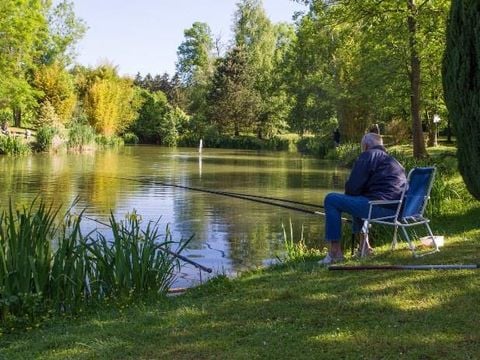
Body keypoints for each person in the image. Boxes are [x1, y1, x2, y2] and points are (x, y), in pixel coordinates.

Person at [318, 132, 407, 265]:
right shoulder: (393, 161)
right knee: (359, 199)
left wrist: (353, 191)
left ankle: (335, 253)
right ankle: (364, 247)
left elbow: (352, 188)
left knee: (331, 199)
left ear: (365, 146)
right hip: (398, 210)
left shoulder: (368, 155)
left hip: (380, 208)